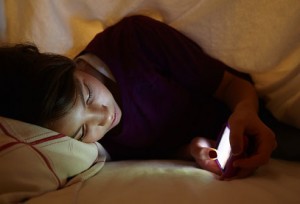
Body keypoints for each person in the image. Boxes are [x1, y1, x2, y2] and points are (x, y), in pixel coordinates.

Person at [0, 15, 278, 179]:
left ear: (64, 64)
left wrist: (245, 112)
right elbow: (162, 151)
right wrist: (193, 149)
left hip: (261, 114)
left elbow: (231, 86)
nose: (104, 117)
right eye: (83, 129)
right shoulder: (93, 148)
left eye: (86, 95)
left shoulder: (134, 40)